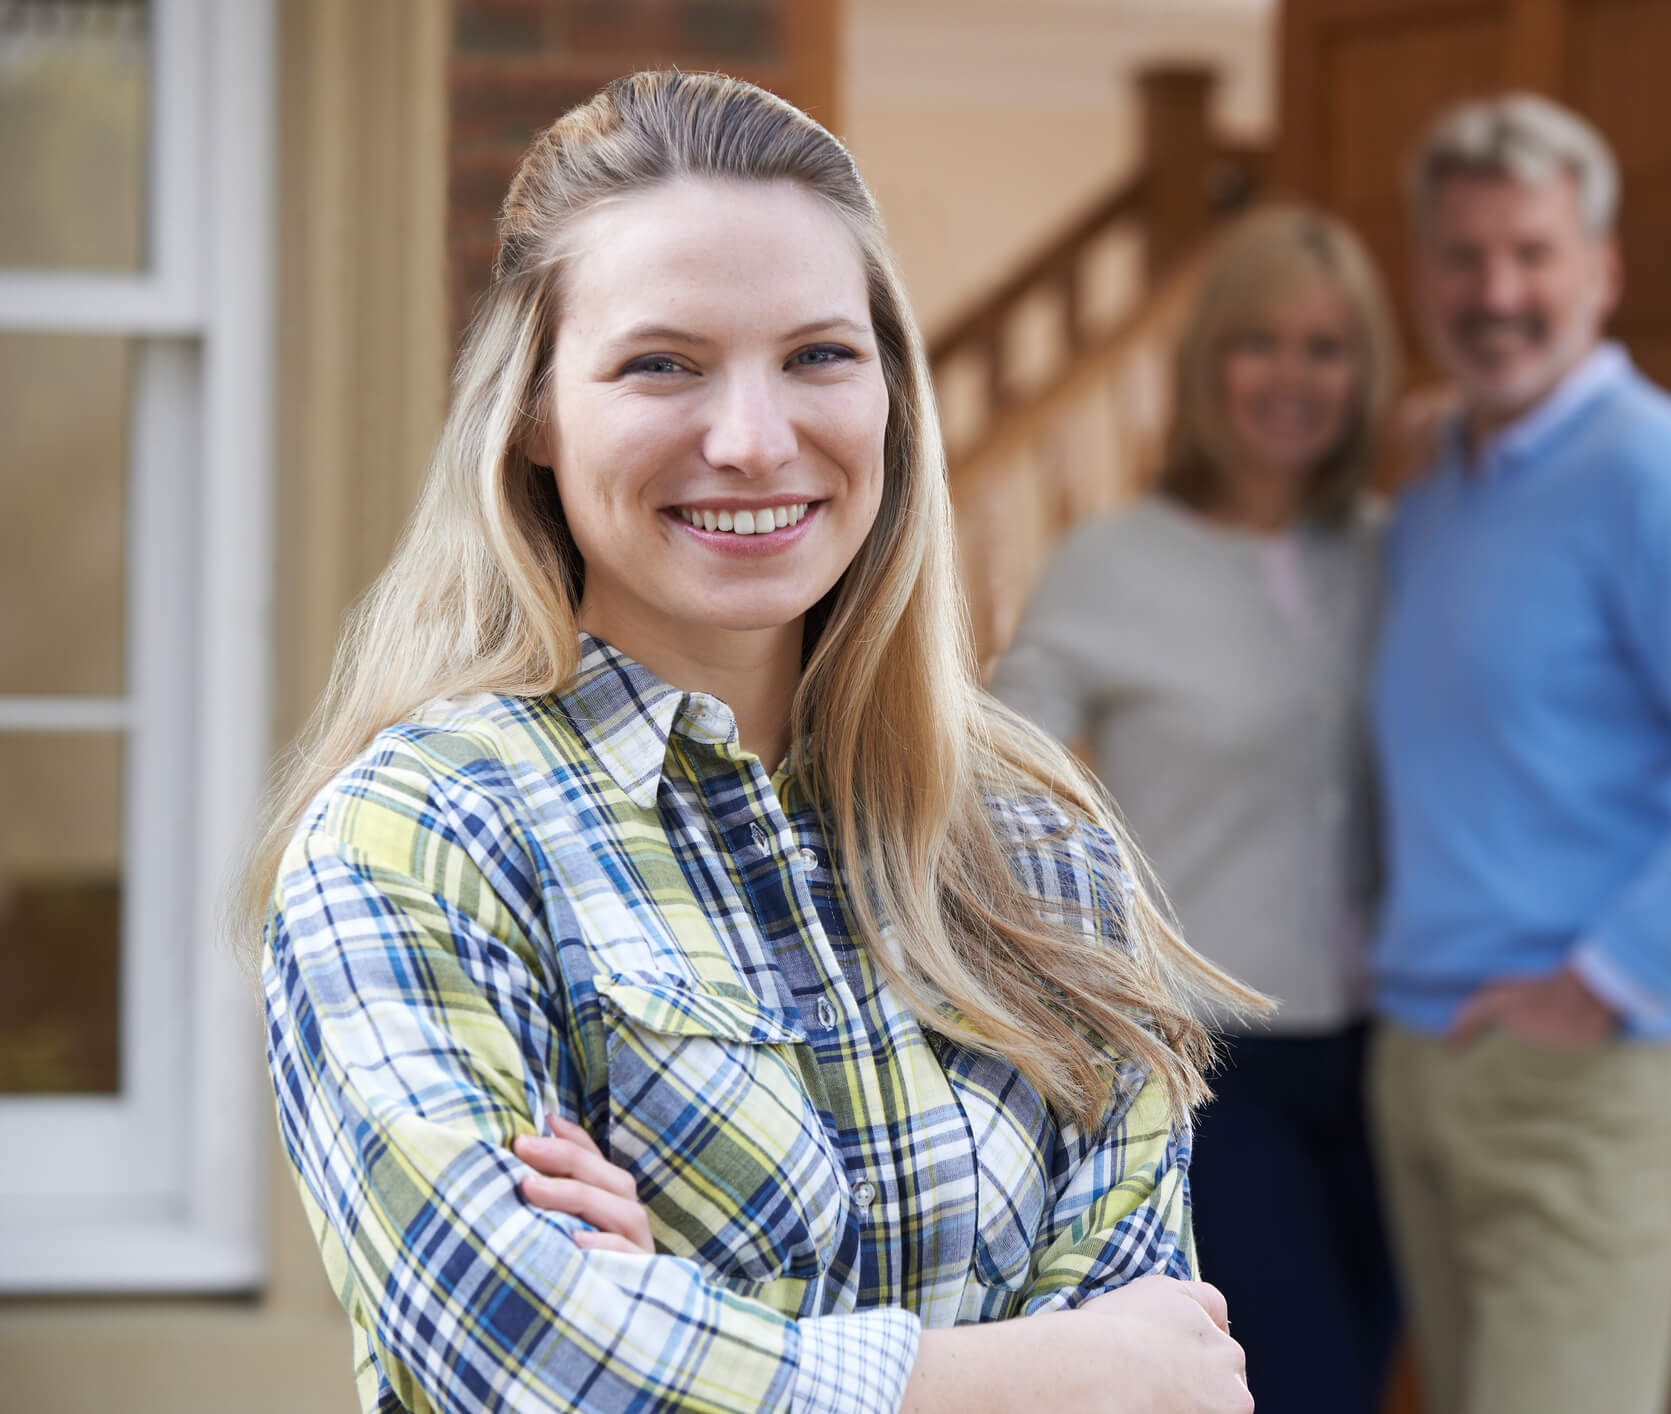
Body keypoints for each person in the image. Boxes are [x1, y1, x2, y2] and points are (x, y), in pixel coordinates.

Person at [244, 70, 1263, 1414]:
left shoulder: (1041, 850)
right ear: (536, 411)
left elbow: (1159, 1387)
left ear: (891, 394)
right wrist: (1027, 1371)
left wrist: (684, 1326)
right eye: (660, 363)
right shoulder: (421, 842)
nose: (750, 437)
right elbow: (514, 1354)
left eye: (816, 356)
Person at [1366, 94, 1671, 1414]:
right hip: (1418, 1060)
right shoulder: (1440, 489)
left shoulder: (1661, 477)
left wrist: (1597, 983)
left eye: (1532, 254)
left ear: (1601, 271)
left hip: (1571, 1079)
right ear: (1420, 275)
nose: (1496, 291)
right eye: (1462, 257)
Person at [988, 204, 1404, 1414]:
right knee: (1291, 1385)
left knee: (1364, 1375)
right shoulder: (1111, 563)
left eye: (1327, 348)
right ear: (1208, 361)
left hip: (1397, 1058)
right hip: (1213, 1065)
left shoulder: (1395, 552)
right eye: (1260, 341)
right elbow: (986, 767)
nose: (1293, 376)